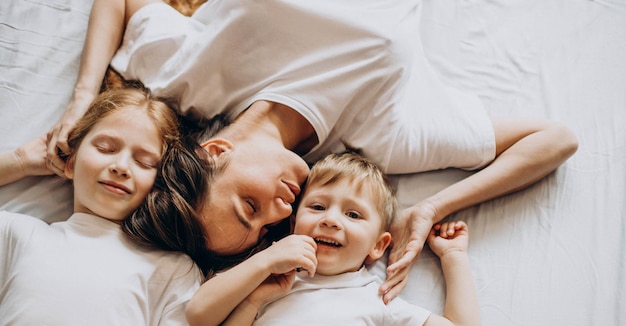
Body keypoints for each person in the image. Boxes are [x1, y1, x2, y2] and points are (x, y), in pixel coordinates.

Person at [45, 0, 578, 302]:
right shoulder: (383, 135)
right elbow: (555, 139)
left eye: (248, 208)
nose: (282, 211)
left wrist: (81, 101)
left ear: (213, 151)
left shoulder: (189, 81)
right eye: (266, 228)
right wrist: (433, 208)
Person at [0, 86, 289, 326]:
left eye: (144, 161)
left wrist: (251, 302)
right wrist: (20, 161)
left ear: (161, 181)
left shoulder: (172, 269)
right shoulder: (22, 237)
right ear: (70, 162)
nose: (121, 166)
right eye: (105, 148)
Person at [184, 151, 481, 326]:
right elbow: (199, 311)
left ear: (378, 246)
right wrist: (267, 259)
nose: (331, 220)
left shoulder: (376, 300)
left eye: (353, 214)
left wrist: (454, 256)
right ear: (293, 224)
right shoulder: (265, 277)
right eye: (317, 207)